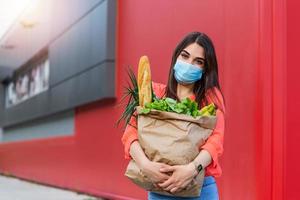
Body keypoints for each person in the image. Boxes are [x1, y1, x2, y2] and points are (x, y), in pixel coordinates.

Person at [121, 32, 225, 200]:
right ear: (176, 56)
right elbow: (131, 133)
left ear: (205, 69)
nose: (189, 64)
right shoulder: (154, 93)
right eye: (185, 56)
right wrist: (145, 165)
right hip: (160, 187)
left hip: (199, 188)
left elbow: (215, 141)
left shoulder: (210, 100)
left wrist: (191, 169)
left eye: (198, 62)